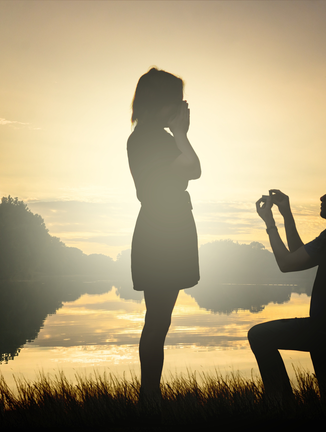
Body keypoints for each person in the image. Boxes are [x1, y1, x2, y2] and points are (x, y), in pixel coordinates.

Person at [251, 171, 326, 402]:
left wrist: (270, 223)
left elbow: (286, 263)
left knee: (259, 336)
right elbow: (297, 256)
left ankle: (280, 404)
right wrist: (286, 214)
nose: (322, 198)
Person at [127, 68, 201, 401]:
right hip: (161, 233)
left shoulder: (154, 136)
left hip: (166, 229)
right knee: (157, 320)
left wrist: (178, 134)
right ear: (161, 102)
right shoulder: (148, 139)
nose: (182, 105)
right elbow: (193, 169)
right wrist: (182, 133)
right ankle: (149, 397)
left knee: (159, 319)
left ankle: (150, 396)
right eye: (176, 99)